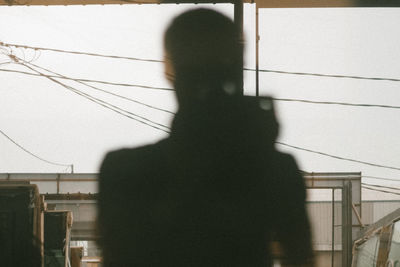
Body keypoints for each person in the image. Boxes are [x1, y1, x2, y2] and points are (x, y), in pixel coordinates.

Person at [98, 8, 313, 267]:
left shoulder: (124, 170)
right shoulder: (277, 171)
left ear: (169, 69)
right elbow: (300, 258)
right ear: (237, 68)